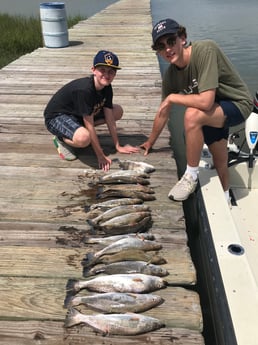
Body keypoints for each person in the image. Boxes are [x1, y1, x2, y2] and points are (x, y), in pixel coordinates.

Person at [140, 18, 253, 202]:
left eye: (171, 41)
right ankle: (225, 197)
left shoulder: (205, 50)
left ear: (182, 38)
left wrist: (173, 97)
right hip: (213, 112)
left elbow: (206, 102)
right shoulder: (171, 76)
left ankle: (190, 176)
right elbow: (163, 110)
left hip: (237, 104)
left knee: (192, 115)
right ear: (158, 52)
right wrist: (150, 141)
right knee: (219, 160)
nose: (168, 49)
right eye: (161, 46)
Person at [44, 50, 139, 171]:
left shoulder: (107, 87)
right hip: (56, 117)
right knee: (84, 139)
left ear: (115, 74)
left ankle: (76, 130)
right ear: (93, 70)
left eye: (111, 71)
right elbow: (90, 125)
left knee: (117, 111)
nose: (107, 75)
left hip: (76, 114)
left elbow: (109, 116)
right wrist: (100, 155)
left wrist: (118, 146)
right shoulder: (85, 90)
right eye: (102, 70)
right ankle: (61, 139)